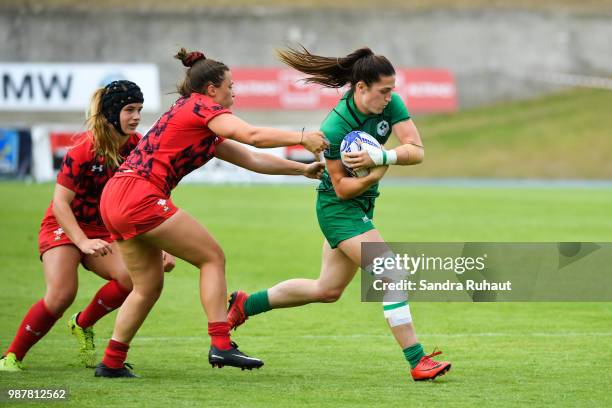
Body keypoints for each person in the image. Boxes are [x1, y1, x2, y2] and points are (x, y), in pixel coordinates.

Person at [94, 48, 328, 378]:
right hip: (140, 196)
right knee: (212, 257)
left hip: (117, 195)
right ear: (211, 90)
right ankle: (221, 342)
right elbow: (253, 136)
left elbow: (252, 159)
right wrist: (302, 137)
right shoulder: (201, 106)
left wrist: (300, 170)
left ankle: (112, 362)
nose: (235, 91)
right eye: (230, 86)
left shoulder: (198, 119)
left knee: (147, 286)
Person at [227, 46, 451, 381]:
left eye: (393, 90)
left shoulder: (392, 104)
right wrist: (375, 175)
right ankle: (417, 361)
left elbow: (416, 151)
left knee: (327, 290)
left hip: (360, 206)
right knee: (392, 274)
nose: (390, 98)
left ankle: (245, 304)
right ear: (361, 88)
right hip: (338, 208)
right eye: (383, 91)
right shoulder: (334, 128)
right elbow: (343, 188)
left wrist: (382, 159)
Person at [0, 80, 175, 372]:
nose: (136, 116)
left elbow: (149, 197)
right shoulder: (84, 149)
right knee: (61, 295)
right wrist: (81, 242)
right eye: (129, 109)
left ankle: (82, 324)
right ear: (111, 112)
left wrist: (162, 246)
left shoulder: (138, 147)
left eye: (139, 109)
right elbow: (60, 204)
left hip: (105, 229)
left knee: (131, 280)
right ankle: (11, 357)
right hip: (64, 225)